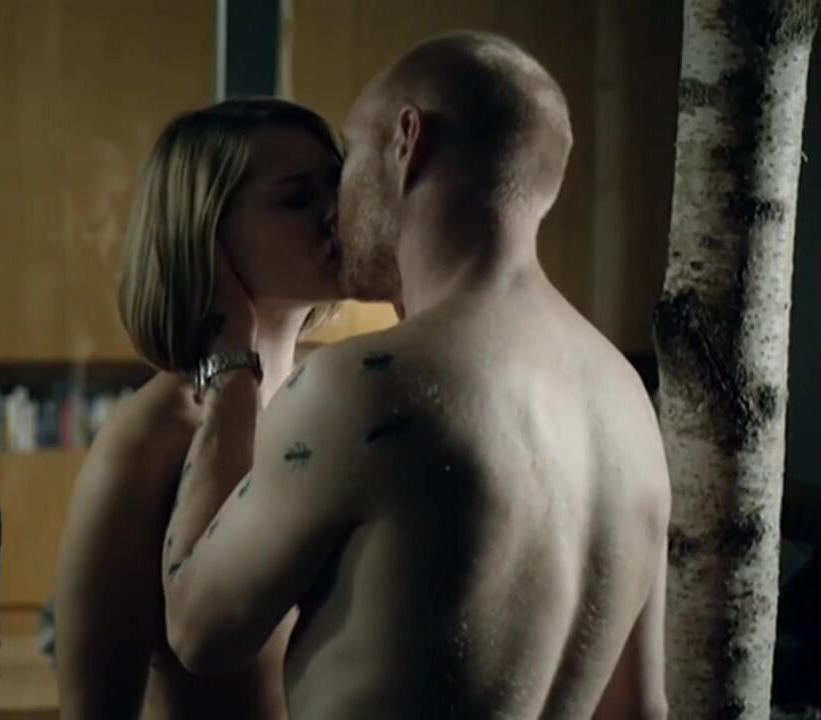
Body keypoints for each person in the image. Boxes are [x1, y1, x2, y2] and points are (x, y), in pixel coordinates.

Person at [160, 32, 671, 719]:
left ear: (407, 141)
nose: (335, 206)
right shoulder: (627, 403)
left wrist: (229, 365)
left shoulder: (362, 387)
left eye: (347, 157)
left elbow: (198, 630)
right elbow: (640, 709)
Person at [54, 97, 345, 719]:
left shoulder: (339, 392)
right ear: (208, 233)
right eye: (298, 199)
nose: (337, 216)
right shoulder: (151, 439)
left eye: (339, 187)